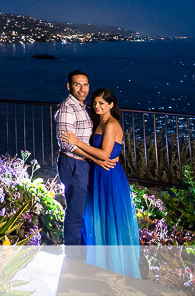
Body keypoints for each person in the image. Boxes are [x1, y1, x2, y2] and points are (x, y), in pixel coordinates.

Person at [60, 88, 141, 278]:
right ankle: (100, 263)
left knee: (110, 218)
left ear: (111, 105)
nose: (97, 106)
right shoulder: (100, 122)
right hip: (98, 173)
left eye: (102, 103)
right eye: (95, 103)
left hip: (109, 175)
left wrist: (76, 142)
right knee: (98, 216)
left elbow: (105, 154)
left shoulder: (111, 124)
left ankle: (114, 267)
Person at [54, 70, 97, 247]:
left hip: (80, 164)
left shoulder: (80, 107)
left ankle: (81, 249)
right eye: (77, 84)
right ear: (69, 86)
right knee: (75, 211)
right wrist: (94, 156)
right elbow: (67, 145)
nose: (82, 89)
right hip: (73, 164)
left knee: (80, 209)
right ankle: (74, 255)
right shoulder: (67, 109)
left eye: (85, 84)